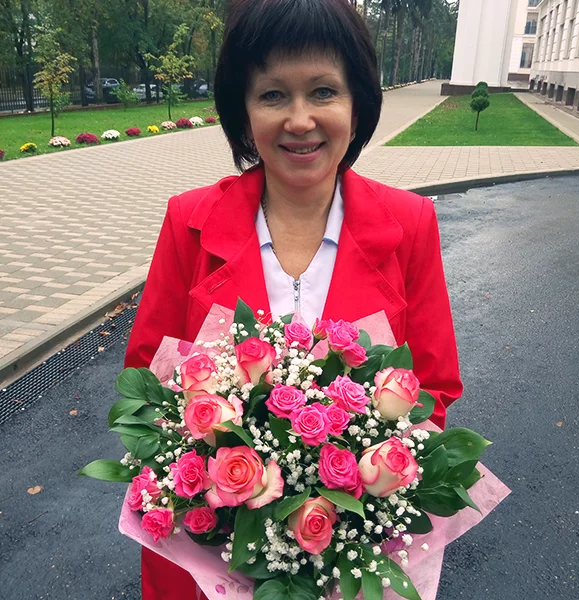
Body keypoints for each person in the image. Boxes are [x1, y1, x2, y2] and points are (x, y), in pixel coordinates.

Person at [124, 0, 463, 598]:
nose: (300, 120)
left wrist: (359, 512)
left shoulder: (409, 223)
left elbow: (433, 389)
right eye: (273, 95)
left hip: (352, 559)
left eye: (323, 91)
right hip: (210, 558)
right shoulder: (189, 222)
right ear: (243, 110)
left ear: (358, 103)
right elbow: (148, 385)